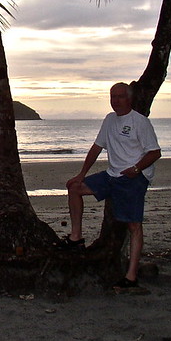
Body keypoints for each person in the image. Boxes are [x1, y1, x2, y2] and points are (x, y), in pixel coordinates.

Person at [58, 82, 161, 289]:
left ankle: (131, 277)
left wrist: (136, 169)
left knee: (133, 225)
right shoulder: (109, 120)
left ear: (129, 98)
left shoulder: (140, 122)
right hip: (112, 175)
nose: (115, 100)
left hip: (133, 178)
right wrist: (82, 174)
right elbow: (97, 147)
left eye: (120, 96)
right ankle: (76, 237)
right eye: (112, 96)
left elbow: (155, 152)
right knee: (75, 188)